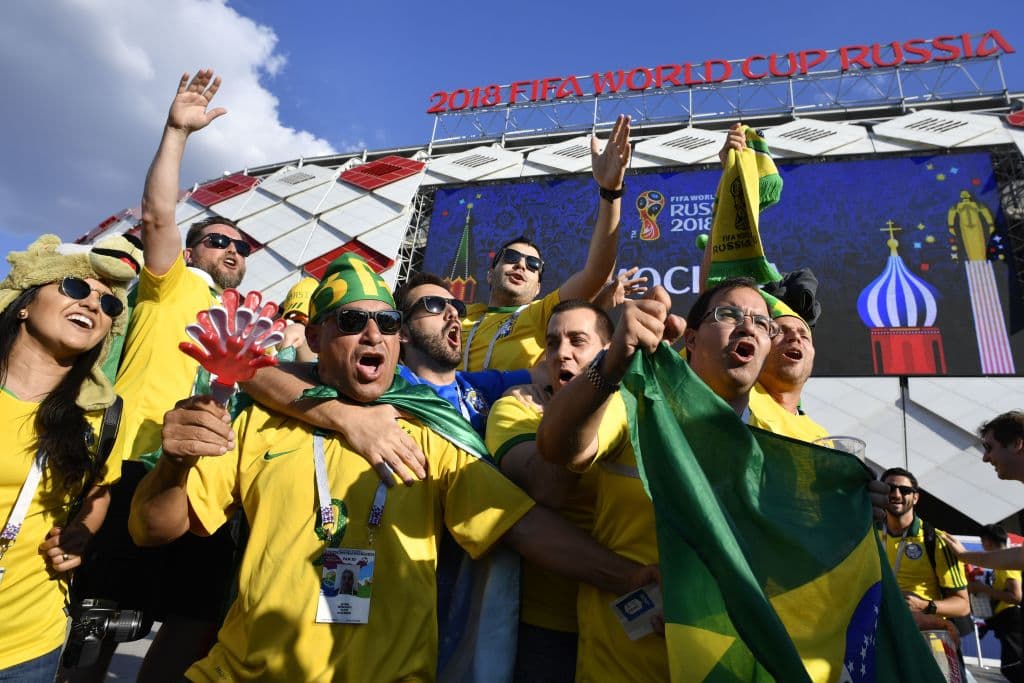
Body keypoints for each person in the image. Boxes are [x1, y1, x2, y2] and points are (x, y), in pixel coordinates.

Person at [128, 253, 653, 682]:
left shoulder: (431, 432)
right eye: (352, 322)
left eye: (388, 323)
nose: (373, 335)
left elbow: (520, 525)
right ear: (314, 340)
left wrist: (635, 578)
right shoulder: (256, 424)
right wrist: (173, 466)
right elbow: (155, 529)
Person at [73, 69, 249, 682]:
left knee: (196, 618)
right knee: (97, 619)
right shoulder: (171, 282)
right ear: (189, 249)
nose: (232, 251)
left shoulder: (251, 319)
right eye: (218, 240)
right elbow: (157, 213)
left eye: (241, 246)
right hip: (133, 463)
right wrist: (176, 132)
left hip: (205, 479)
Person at [0, 235, 137, 680]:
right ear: (23, 302)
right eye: (76, 288)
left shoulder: (103, 416)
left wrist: (78, 534)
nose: (95, 305)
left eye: (110, 305)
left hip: (28, 645)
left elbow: (99, 489)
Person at [485, 300, 611, 682]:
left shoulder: (637, 405)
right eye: (552, 343)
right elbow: (545, 487)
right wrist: (581, 405)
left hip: (627, 621)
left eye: (577, 341)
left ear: (608, 351)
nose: (562, 354)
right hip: (547, 630)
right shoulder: (516, 408)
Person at [460, 114, 632, 372]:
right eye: (510, 258)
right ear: (489, 273)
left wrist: (611, 192)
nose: (521, 266)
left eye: (532, 264)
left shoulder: (540, 316)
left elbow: (596, 272)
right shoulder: (460, 316)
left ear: (538, 287)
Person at [878, 468, 970, 629]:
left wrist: (924, 605)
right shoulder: (870, 536)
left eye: (905, 490)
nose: (896, 495)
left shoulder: (936, 540)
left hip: (923, 633)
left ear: (915, 497)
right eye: (890, 489)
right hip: (881, 631)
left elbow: (963, 605)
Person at [970, 524, 1024, 682]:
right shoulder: (1001, 564)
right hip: (1005, 622)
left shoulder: (1006, 563)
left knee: (1013, 668)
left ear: (987, 541)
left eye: (982, 541)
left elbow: (1015, 596)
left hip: (1012, 621)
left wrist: (984, 589)